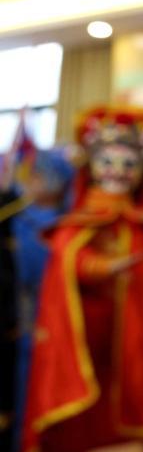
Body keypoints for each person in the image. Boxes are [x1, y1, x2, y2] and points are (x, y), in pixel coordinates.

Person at [23, 107, 143, 452]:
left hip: (137, 330)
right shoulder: (82, 219)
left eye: (129, 164)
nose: (118, 171)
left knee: (141, 390)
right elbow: (69, 258)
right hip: (91, 330)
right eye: (108, 162)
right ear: (91, 167)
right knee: (86, 397)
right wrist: (102, 267)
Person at [4, 150, 74, 452]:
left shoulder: (57, 226)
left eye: (36, 176)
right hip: (17, 323)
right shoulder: (18, 217)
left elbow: (31, 272)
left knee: (35, 394)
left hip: (40, 325)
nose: (30, 182)